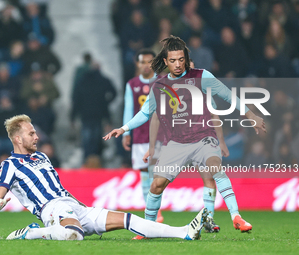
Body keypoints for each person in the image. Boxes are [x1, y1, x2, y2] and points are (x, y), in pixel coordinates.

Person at [104, 36, 267, 232]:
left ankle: (236, 216)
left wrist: (250, 114)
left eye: (181, 59)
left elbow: (227, 94)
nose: (178, 64)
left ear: (186, 57)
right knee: (156, 185)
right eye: (172, 61)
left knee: (215, 169)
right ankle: (146, 228)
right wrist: (124, 128)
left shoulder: (201, 76)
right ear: (165, 61)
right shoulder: (160, 86)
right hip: (177, 142)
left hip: (204, 138)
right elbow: (146, 113)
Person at [0, 114, 208, 241]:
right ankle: (32, 233)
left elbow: (57, 187)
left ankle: (184, 232)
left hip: (73, 205)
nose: (37, 137)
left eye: (35, 132)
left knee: (126, 219)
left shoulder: (43, 157)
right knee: (74, 234)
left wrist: (78, 205)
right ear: (17, 139)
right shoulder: (9, 165)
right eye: (31, 134)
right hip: (51, 209)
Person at [122, 49, 164, 226]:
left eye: (149, 61)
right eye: (142, 62)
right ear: (137, 64)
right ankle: (153, 210)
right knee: (144, 172)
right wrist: (126, 132)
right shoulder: (132, 84)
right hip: (139, 135)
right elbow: (129, 108)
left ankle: (156, 210)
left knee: (157, 172)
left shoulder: (162, 82)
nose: (146, 65)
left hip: (160, 135)